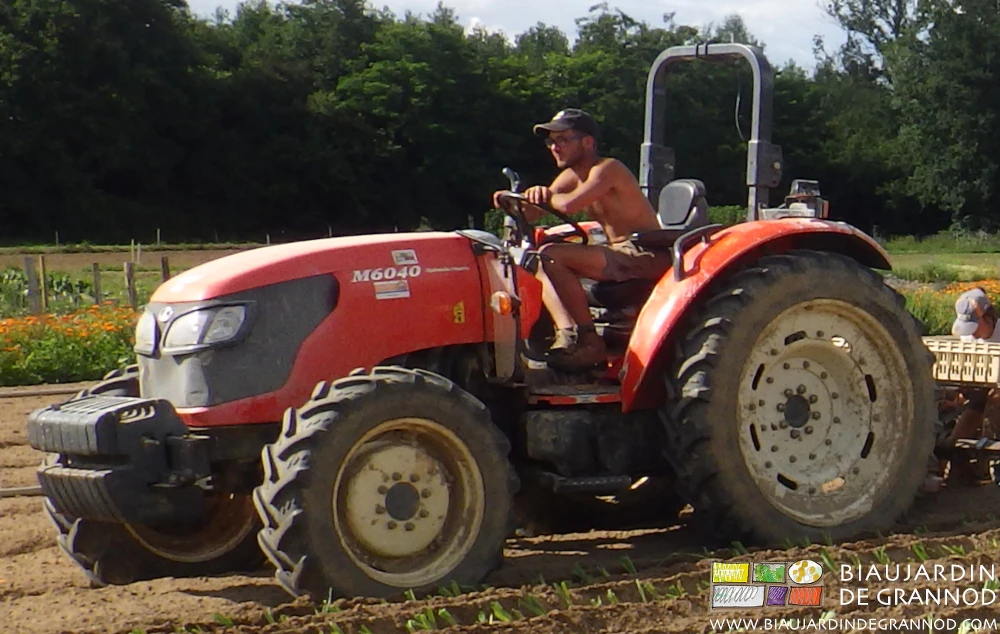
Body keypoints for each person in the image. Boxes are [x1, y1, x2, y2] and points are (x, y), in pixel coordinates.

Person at [492, 108, 670, 372]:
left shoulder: (608, 169)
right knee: (537, 258)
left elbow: (567, 204)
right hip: (617, 252)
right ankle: (566, 332)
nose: (555, 147)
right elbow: (536, 212)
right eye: (551, 141)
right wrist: (512, 202)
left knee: (554, 254)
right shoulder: (571, 175)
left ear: (588, 142)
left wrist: (543, 195)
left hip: (643, 253)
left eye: (563, 139)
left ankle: (589, 341)